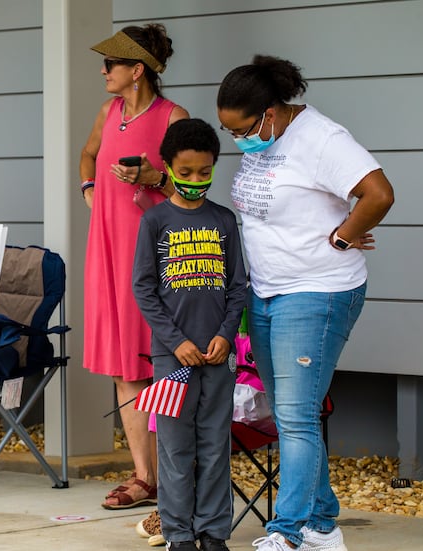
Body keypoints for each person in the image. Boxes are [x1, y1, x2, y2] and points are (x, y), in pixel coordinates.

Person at [216, 55, 395, 551]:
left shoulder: (323, 139)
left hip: (317, 292)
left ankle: (288, 532)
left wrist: (341, 237)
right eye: (229, 131)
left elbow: (378, 194)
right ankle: (322, 525)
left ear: (270, 111)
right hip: (268, 291)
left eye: (244, 128)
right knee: (292, 412)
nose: (239, 140)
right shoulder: (267, 140)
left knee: (295, 417)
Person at [80, 23, 189, 510]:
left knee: (156, 358)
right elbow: (87, 154)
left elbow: (192, 192)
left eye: (111, 64)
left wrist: (151, 176)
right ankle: (144, 476)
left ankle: (173, 471)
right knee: (124, 362)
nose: (103, 71)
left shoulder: (173, 117)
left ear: (136, 69)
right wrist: (89, 187)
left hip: (151, 250)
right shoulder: (109, 110)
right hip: (106, 245)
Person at [132, 118, 248, 551]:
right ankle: (178, 534)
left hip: (219, 357)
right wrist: (175, 341)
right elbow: (143, 288)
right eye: (186, 172)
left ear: (214, 167)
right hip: (171, 359)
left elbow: (238, 286)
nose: (196, 181)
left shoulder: (223, 221)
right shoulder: (155, 221)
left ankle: (214, 532)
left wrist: (225, 334)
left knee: (215, 446)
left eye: (205, 172)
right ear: (168, 166)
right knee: (176, 450)